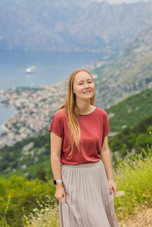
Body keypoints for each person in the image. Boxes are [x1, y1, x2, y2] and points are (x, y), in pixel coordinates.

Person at [49, 69, 118, 227]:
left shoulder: (101, 115)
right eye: (81, 83)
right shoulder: (61, 117)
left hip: (97, 175)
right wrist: (58, 185)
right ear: (72, 89)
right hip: (73, 179)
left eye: (89, 82)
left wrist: (110, 178)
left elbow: (105, 150)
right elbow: (55, 154)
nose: (87, 86)